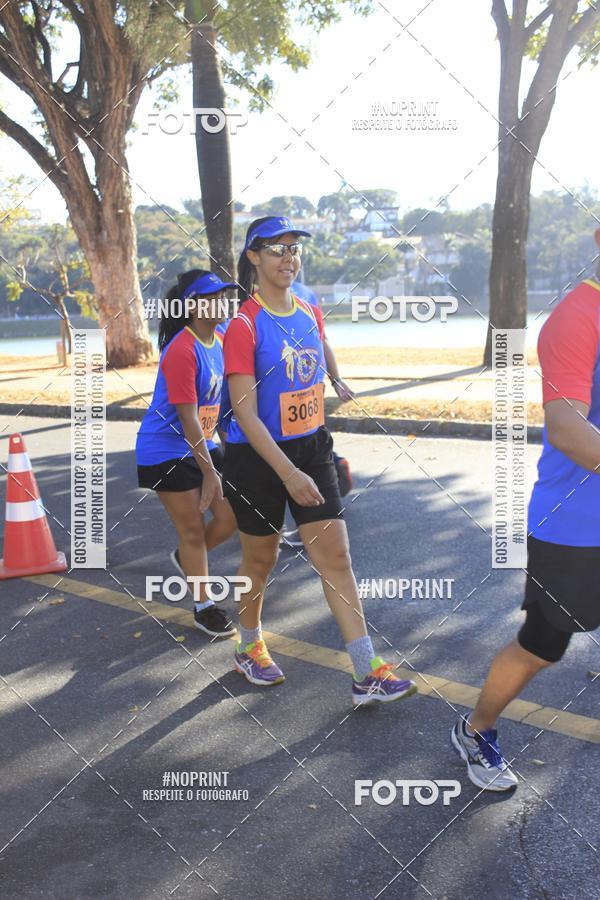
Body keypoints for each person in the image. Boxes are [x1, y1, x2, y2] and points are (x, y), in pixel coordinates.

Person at [222, 215, 418, 706]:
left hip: (311, 448)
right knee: (261, 559)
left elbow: (316, 357)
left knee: (336, 556)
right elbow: (244, 413)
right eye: (276, 249)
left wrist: (336, 379)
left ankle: (366, 670)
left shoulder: (309, 310)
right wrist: (287, 474)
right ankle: (248, 646)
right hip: (257, 457)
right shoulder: (243, 325)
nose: (287, 257)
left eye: (293, 248)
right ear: (253, 257)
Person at [452, 245, 600, 791]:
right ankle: (475, 728)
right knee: (543, 645)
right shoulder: (577, 316)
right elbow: (567, 429)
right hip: (575, 525)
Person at [135, 269, 238, 638]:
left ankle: (187, 558)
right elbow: (188, 417)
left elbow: (219, 406)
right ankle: (204, 606)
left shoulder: (221, 337)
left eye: (223, 296)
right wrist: (210, 472)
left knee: (230, 518)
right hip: (165, 448)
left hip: (202, 444)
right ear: (191, 306)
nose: (221, 303)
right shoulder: (181, 350)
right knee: (192, 528)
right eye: (211, 298)